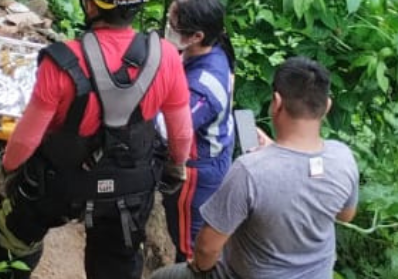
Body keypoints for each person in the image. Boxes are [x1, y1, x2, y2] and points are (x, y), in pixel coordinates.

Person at [0, 0, 193, 279]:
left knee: (16, 223)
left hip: (59, 182)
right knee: (117, 260)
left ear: (91, 2)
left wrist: (9, 171)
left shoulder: (63, 63)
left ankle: (1, 269)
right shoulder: (167, 57)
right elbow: (181, 133)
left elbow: (27, 138)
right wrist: (175, 168)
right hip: (130, 184)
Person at [150, 56, 359, 279]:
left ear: (276, 103)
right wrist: (277, 154)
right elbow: (346, 215)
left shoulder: (250, 171)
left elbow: (206, 248)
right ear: (327, 106)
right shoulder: (343, 157)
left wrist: (200, 269)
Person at [162, 0, 237, 262]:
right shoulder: (213, 48)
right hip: (212, 150)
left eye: (172, 25)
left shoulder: (203, 86)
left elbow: (171, 128)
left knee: (190, 246)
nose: (167, 29)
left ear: (196, 36)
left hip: (197, 167)